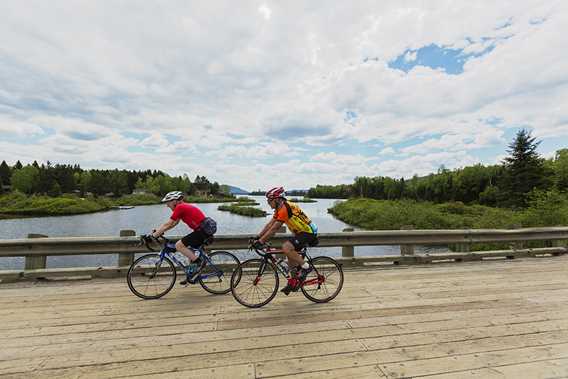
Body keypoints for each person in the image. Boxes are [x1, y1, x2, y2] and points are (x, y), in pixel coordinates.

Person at [253, 186, 318, 295]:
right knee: (290, 255)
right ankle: (293, 282)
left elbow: (274, 229)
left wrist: (261, 242)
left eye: (270, 200)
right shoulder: (279, 209)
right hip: (300, 232)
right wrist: (258, 237)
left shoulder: (285, 209)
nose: (268, 202)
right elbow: (269, 224)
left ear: (278, 199)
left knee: (286, 247)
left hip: (308, 232)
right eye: (268, 200)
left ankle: (306, 267)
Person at [150, 191, 217, 285]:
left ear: (174, 201)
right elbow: (173, 224)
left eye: (168, 202)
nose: (167, 205)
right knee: (190, 251)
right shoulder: (182, 207)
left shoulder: (180, 207)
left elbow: (168, 224)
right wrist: (158, 231)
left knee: (179, 245)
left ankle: (199, 261)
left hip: (201, 232)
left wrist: (153, 236)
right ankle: (191, 275)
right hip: (202, 231)